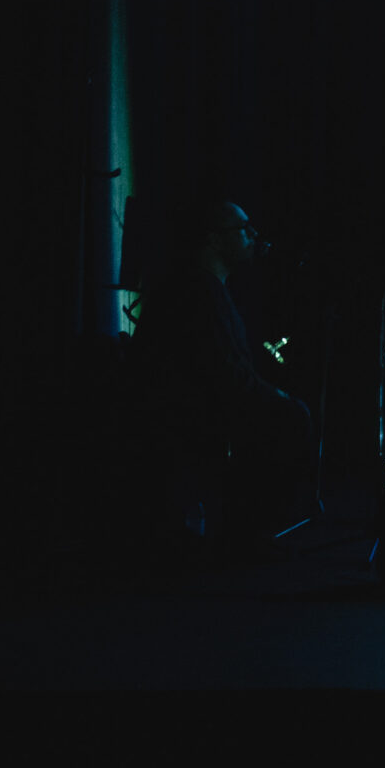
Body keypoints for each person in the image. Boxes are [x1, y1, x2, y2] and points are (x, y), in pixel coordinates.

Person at [132, 200, 317, 553]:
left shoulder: (206, 288)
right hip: (186, 412)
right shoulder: (198, 292)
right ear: (214, 240)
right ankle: (249, 533)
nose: (253, 235)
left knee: (286, 411)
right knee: (293, 417)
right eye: (242, 229)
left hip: (195, 405)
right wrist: (274, 397)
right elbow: (219, 374)